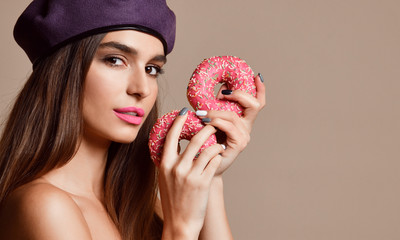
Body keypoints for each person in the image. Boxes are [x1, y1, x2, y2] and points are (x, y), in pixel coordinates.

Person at [0, 0, 265, 239]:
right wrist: (181, 229)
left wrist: (212, 175)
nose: (142, 88)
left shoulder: (147, 209)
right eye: (115, 60)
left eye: (152, 69)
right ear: (62, 71)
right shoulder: (44, 207)